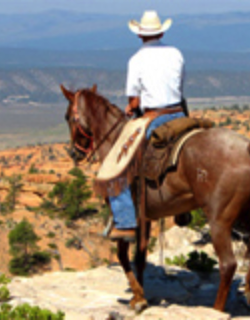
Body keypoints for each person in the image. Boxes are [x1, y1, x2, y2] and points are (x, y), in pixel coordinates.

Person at [107, 10, 186, 241]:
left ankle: (124, 222)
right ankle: (183, 210)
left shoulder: (136, 59)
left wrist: (131, 108)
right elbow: (179, 86)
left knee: (118, 168)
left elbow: (134, 100)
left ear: (140, 35)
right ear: (161, 32)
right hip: (180, 112)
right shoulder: (176, 53)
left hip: (155, 116)